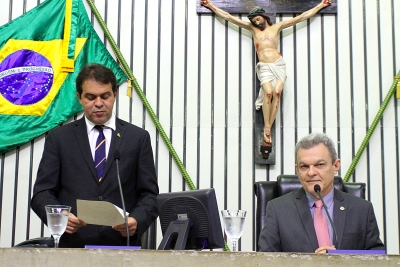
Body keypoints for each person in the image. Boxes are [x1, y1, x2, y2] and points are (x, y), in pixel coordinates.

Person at [31, 63, 159, 248]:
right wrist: (60, 216)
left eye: (105, 96)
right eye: (90, 97)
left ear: (115, 94)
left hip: (122, 246)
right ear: (79, 97)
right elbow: (42, 193)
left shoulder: (137, 138)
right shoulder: (59, 138)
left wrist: (137, 220)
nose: (98, 103)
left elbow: (149, 194)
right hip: (73, 246)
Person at [200, 0, 331, 150]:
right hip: (264, 66)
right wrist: (210, 5)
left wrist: (321, 5)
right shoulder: (252, 29)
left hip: (278, 64)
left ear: (263, 16)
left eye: (258, 18)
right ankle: (267, 127)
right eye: (254, 20)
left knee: (277, 92)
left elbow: (301, 17)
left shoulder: (277, 27)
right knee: (268, 92)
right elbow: (228, 16)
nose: (256, 22)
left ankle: (268, 127)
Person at [258, 133, 385, 253]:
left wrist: (341, 260)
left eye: (319, 165)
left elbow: (378, 259)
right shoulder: (278, 210)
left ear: (335, 166)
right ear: (297, 170)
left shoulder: (362, 209)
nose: (311, 172)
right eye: (304, 166)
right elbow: (265, 261)